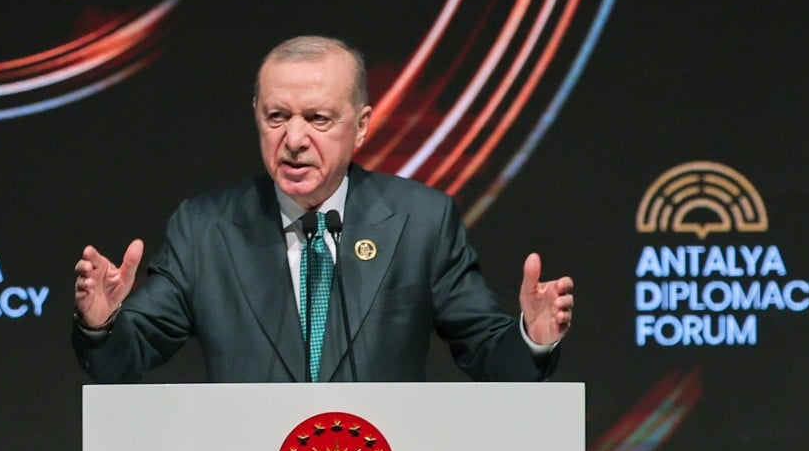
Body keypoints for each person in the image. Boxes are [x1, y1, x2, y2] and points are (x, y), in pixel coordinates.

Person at [72, 35, 573, 383]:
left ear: (361, 126)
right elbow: (122, 361)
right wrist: (102, 326)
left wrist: (533, 336)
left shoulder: (422, 222)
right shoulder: (205, 229)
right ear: (256, 118)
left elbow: (492, 356)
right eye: (276, 117)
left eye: (317, 118)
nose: (293, 140)